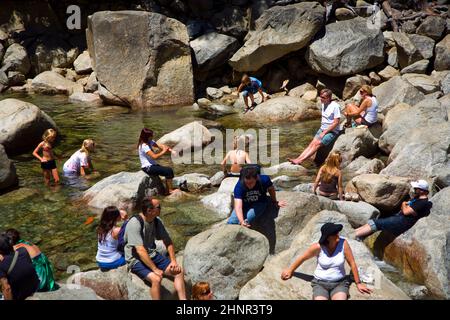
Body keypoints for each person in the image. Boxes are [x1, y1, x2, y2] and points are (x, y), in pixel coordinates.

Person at [281, 223, 372, 300]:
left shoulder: (343, 243)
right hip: (320, 283)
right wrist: (290, 270)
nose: (338, 235)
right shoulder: (318, 247)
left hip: (339, 283)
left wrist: (358, 283)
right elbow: (302, 258)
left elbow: (352, 263)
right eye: (335, 234)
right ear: (328, 237)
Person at [124, 198, 186, 300]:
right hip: (135, 259)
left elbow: (168, 242)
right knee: (156, 279)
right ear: (149, 210)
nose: (161, 209)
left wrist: (173, 261)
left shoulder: (156, 221)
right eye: (159, 207)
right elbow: (140, 250)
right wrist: (155, 269)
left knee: (178, 271)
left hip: (152, 254)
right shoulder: (135, 223)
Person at [355, 180, 433, 239]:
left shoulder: (422, 203)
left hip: (402, 222)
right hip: (399, 218)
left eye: (416, 188)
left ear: (422, 191)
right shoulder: (417, 198)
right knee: (374, 221)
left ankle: (354, 236)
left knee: (376, 223)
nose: (414, 189)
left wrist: (403, 204)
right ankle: (353, 233)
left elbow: (405, 211)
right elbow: (407, 208)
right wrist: (405, 206)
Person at [288, 89, 341, 165]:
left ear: (329, 98)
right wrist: (322, 131)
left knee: (317, 144)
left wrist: (325, 132)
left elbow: (336, 122)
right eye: (320, 96)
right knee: (312, 144)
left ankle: (300, 160)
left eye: (323, 97)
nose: (321, 99)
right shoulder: (323, 104)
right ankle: (297, 158)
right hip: (322, 129)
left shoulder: (335, 106)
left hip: (332, 131)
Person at [138, 128, 179, 195]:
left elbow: (162, 146)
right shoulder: (144, 146)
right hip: (147, 167)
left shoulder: (150, 142)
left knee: (168, 171)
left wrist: (172, 151)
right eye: (151, 135)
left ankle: (167, 190)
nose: (152, 136)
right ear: (147, 136)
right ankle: (170, 190)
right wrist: (163, 151)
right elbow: (154, 156)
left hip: (152, 165)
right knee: (168, 171)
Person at [0, 234, 40, 300]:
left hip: (20, 295)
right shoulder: (23, 251)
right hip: (35, 286)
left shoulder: (2, 265)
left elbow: (7, 288)